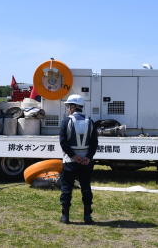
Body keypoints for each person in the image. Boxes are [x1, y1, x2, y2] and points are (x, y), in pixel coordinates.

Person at [59, 94, 98, 224]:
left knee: (66, 188)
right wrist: (88, 157)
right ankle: (87, 217)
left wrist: (73, 156)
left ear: (73, 106)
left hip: (70, 162)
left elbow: (63, 143)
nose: (67, 109)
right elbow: (94, 143)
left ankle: (65, 217)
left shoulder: (66, 122)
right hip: (86, 162)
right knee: (86, 187)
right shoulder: (90, 121)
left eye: (68, 106)